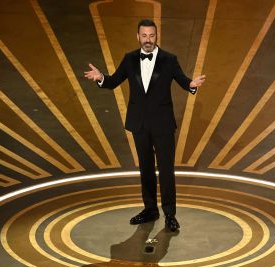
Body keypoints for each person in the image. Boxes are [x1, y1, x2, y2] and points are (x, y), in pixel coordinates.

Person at [84, 19, 206, 232]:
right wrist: (100, 78)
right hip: (139, 124)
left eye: (151, 36)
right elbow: (113, 81)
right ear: (138, 37)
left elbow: (182, 79)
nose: (148, 40)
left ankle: (170, 215)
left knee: (166, 170)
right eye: (144, 36)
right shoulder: (130, 59)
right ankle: (150, 210)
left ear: (156, 36)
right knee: (146, 169)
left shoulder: (169, 59)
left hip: (163, 125)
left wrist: (192, 85)